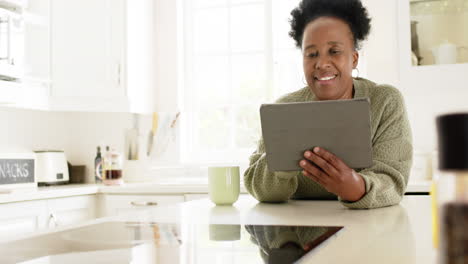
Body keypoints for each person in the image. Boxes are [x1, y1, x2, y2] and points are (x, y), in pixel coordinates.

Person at [244, 0, 413, 209]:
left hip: (366, 229)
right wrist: (283, 158)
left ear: (354, 58)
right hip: (297, 231)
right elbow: (259, 189)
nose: (322, 63)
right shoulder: (284, 108)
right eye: (312, 54)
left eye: (334, 51)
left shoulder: (384, 101)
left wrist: (356, 187)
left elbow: (392, 182)